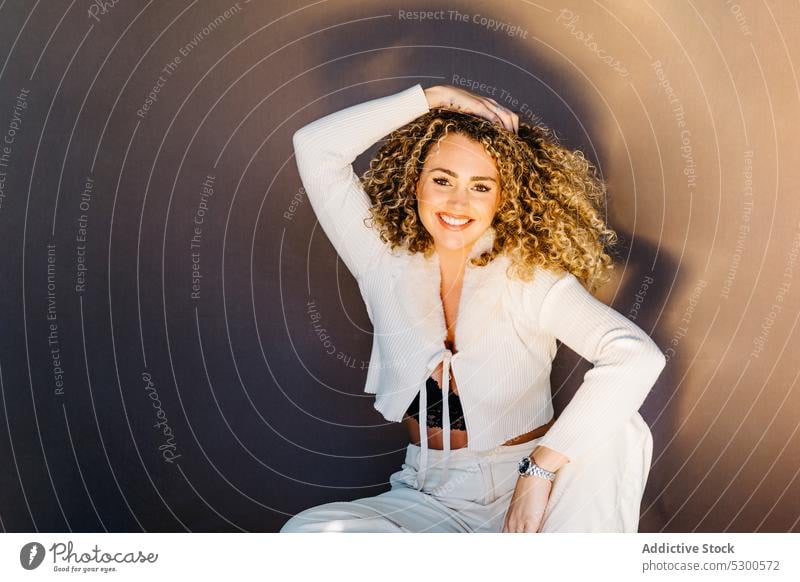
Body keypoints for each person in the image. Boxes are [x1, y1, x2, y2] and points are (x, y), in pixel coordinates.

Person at [280, 82, 666, 533]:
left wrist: (538, 471)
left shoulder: (529, 277)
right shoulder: (380, 260)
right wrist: (438, 97)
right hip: (429, 495)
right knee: (309, 537)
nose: (458, 203)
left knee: (620, 431)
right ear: (415, 181)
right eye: (442, 179)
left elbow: (635, 355)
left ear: (503, 199)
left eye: (480, 187)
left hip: (530, 491)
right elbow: (315, 148)